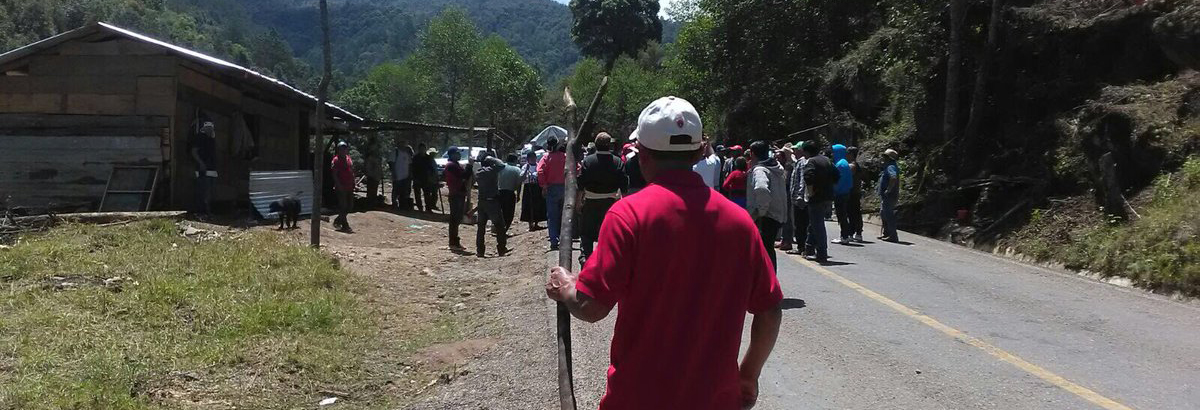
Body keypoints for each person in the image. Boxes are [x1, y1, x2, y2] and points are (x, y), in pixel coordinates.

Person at [545, 96, 783, 409]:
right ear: (699, 152)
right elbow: (769, 310)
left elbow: (591, 306)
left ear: (641, 154)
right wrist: (748, 374)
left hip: (637, 399)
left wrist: (566, 287)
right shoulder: (740, 223)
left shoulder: (628, 215)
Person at [577, 132, 627, 264]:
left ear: (596, 144)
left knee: (587, 233)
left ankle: (586, 259)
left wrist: (578, 202)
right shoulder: (617, 161)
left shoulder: (588, 161)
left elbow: (581, 183)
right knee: (608, 233)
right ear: (609, 145)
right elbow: (624, 183)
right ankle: (607, 261)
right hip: (611, 202)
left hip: (591, 201)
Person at [747, 141, 788, 271]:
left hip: (765, 217)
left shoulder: (759, 170)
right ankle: (770, 280)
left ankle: (767, 282)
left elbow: (761, 189)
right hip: (776, 214)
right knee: (768, 249)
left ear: (752, 154)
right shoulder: (776, 167)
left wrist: (761, 211)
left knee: (763, 250)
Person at [802, 142, 839, 263]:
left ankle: (822, 253)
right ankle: (809, 249)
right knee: (814, 222)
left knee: (818, 225)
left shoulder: (811, 161)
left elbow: (808, 177)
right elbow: (837, 175)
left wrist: (811, 192)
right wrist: (828, 186)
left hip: (816, 197)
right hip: (828, 196)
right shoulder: (827, 160)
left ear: (807, 152)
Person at [474, 153, 510, 257]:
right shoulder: (492, 171)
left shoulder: (478, 172)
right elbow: (502, 165)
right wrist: (492, 158)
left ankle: (480, 251)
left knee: (481, 228)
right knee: (499, 226)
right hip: (492, 202)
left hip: (481, 202)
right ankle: (501, 249)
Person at [538, 137, 567, 250]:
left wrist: (544, 185)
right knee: (563, 215)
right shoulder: (565, 157)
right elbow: (577, 167)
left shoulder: (546, 157)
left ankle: (554, 240)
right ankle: (564, 237)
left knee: (552, 216)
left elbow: (540, 171)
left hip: (551, 188)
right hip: (564, 188)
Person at [444, 147, 473, 250]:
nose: (459, 155)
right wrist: (469, 165)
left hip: (459, 194)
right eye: (457, 153)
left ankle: (455, 241)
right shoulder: (451, 166)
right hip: (456, 194)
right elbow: (464, 175)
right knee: (455, 219)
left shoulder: (455, 165)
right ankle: (453, 242)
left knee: (457, 219)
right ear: (452, 154)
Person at [189, 119, 218, 217]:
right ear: (204, 129)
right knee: (202, 191)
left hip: (212, 169)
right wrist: (201, 163)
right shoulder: (200, 138)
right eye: (208, 128)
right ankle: (201, 212)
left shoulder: (211, 139)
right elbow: (194, 152)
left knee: (209, 191)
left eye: (211, 128)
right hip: (203, 169)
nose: (210, 130)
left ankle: (207, 211)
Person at [789, 141, 811, 256]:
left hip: (800, 199)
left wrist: (800, 197)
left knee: (800, 224)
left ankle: (801, 247)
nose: (794, 152)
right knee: (801, 223)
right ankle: (803, 246)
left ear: (801, 150)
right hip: (799, 197)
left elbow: (802, 180)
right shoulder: (799, 161)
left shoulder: (802, 163)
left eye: (796, 150)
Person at [831, 144, 854, 244]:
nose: (832, 154)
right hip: (845, 192)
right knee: (842, 215)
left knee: (842, 215)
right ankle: (846, 235)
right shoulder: (843, 162)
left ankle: (844, 236)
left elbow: (838, 180)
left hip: (840, 193)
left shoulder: (840, 164)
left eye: (833, 151)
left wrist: (834, 190)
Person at [331, 141, 355, 233]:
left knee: (350, 206)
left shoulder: (348, 158)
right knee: (343, 205)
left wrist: (354, 182)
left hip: (349, 186)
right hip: (341, 186)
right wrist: (338, 185)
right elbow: (335, 174)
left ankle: (338, 220)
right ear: (338, 150)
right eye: (341, 149)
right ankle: (345, 225)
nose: (343, 151)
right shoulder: (336, 160)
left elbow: (351, 171)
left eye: (344, 149)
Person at [519, 151, 547, 231]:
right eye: (531, 158)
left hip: (537, 187)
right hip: (528, 188)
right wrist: (526, 170)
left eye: (534, 157)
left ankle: (537, 223)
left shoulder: (539, 166)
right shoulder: (525, 167)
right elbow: (522, 178)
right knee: (528, 205)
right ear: (528, 159)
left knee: (538, 205)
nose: (533, 159)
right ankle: (530, 224)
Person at [776, 146, 796, 252]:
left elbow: (786, 181)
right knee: (784, 217)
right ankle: (784, 239)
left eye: (779, 157)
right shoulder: (782, 166)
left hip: (787, 194)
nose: (777, 159)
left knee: (787, 218)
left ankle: (787, 241)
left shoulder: (789, 166)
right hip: (783, 193)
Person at [879, 148, 901, 242]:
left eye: (885, 156)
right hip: (888, 195)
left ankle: (893, 236)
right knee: (883, 213)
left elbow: (893, 177)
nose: (883, 158)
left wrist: (888, 189)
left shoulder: (890, 167)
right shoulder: (888, 166)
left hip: (890, 195)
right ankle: (887, 233)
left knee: (888, 215)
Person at [498, 154, 523, 229]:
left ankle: (499, 228)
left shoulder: (501, 167)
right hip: (510, 193)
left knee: (500, 211)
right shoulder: (517, 169)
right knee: (509, 213)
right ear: (515, 160)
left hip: (499, 192)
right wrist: (518, 195)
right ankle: (505, 228)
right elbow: (519, 184)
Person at [411, 143, 438, 213]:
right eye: (421, 149)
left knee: (427, 194)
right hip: (417, 177)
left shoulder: (428, 158)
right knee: (417, 194)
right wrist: (413, 177)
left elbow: (431, 168)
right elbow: (412, 168)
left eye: (423, 149)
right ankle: (420, 207)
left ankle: (428, 208)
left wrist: (433, 176)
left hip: (426, 178)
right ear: (419, 149)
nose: (422, 150)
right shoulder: (415, 158)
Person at [847, 147, 865, 242]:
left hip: (852, 193)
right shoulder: (855, 165)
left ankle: (853, 232)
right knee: (855, 213)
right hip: (855, 192)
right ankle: (857, 232)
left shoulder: (852, 166)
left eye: (848, 153)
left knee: (852, 213)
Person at [390, 144, 414, 210]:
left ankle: (403, 204)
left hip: (405, 176)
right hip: (398, 175)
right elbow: (391, 163)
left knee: (404, 191)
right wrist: (394, 173)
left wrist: (409, 174)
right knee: (396, 190)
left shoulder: (407, 155)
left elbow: (410, 165)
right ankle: (394, 203)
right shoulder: (396, 152)